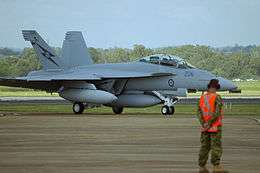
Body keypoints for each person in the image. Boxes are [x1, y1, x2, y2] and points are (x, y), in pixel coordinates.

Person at [197, 79, 228, 173]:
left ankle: (202, 167)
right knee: (216, 146)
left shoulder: (203, 97)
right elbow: (217, 112)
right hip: (214, 127)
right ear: (215, 87)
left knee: (204, 147)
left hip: (204, 127)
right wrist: (210, 123)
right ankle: (216, 167)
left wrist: (204, 123)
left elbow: (199, 112)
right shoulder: (216, 97)